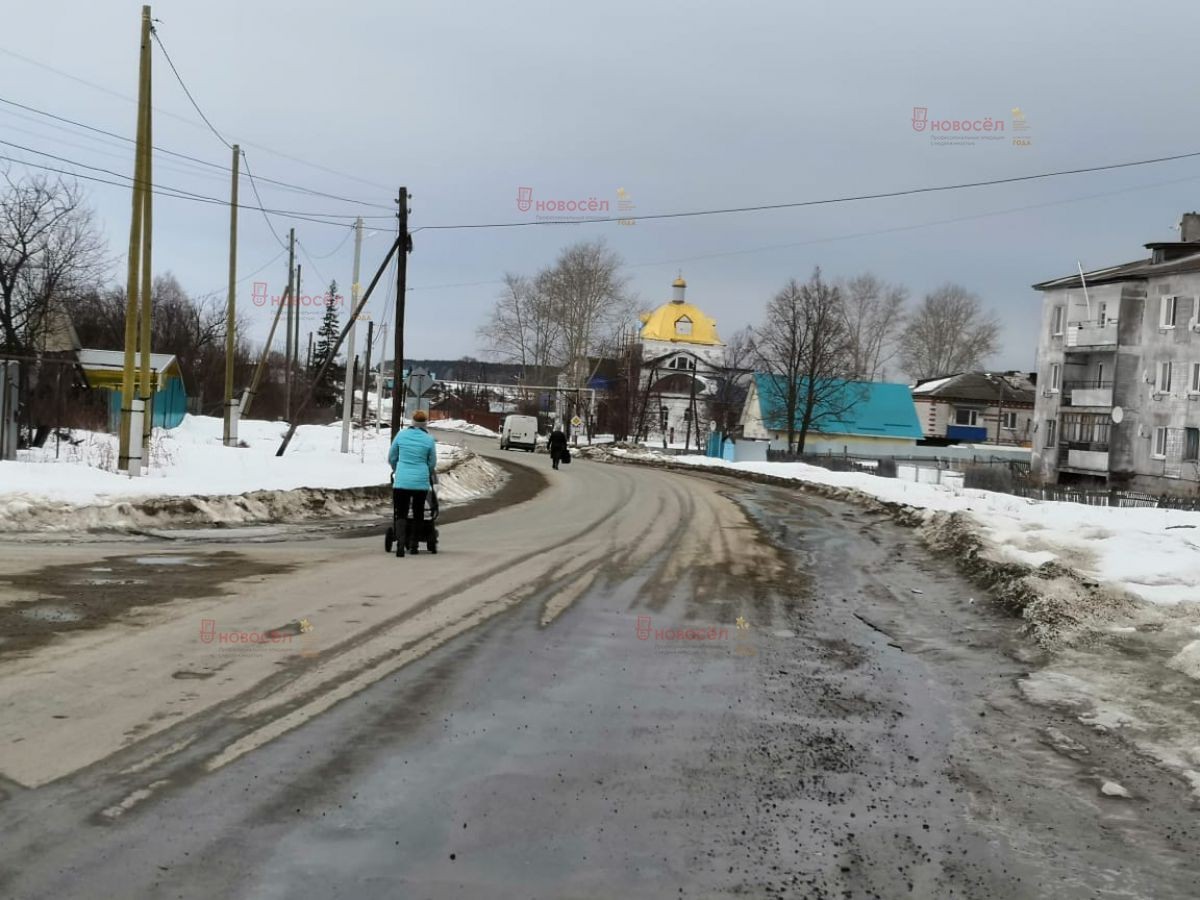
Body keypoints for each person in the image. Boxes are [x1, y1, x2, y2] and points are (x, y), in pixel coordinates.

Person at [387, 409, 437, 556]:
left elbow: (392, 456)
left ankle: (401, 545)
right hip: (420, 483)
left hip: (401, 481)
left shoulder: (401, 435)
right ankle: (414, 545)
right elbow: (432, 462)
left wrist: (397, 468)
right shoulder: (428, 439)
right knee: (418, 512)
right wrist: (426, 472)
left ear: (412, 422)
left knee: (401, 512)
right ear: (425, 424)